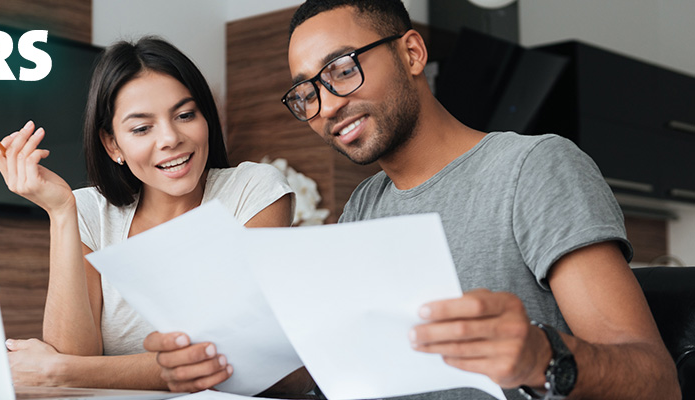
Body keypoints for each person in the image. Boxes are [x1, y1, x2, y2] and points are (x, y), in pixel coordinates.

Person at [144, 1, 681, 399]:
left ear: (412, 52)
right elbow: (332, 374)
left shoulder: (533, 168)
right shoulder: (363, 205)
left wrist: (543, 356)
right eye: (307, 93)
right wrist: (217, 365)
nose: (327, 105)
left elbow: (657, 382)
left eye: (342, 69)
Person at [0, 37, 301, 391]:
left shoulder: (252, 190)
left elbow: (237, 358)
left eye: (185, 115)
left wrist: (60, 371)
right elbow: (72, 357)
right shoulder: (89, 210)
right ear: (112, 145)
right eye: (141, 128)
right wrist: (61, 213)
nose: (170, 138)